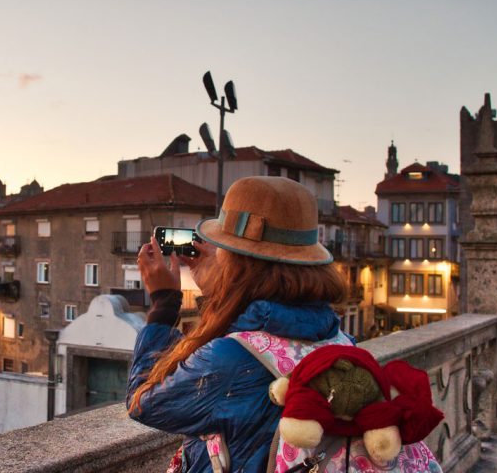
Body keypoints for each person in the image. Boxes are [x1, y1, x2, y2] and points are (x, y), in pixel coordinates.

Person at [126, 176, 348, 472]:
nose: (217, 253)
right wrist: (221, 290)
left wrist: (163, 304)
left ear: (239, 261)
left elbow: (143, 402)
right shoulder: (339, 339)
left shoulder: (230, 360)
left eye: (223, 247)